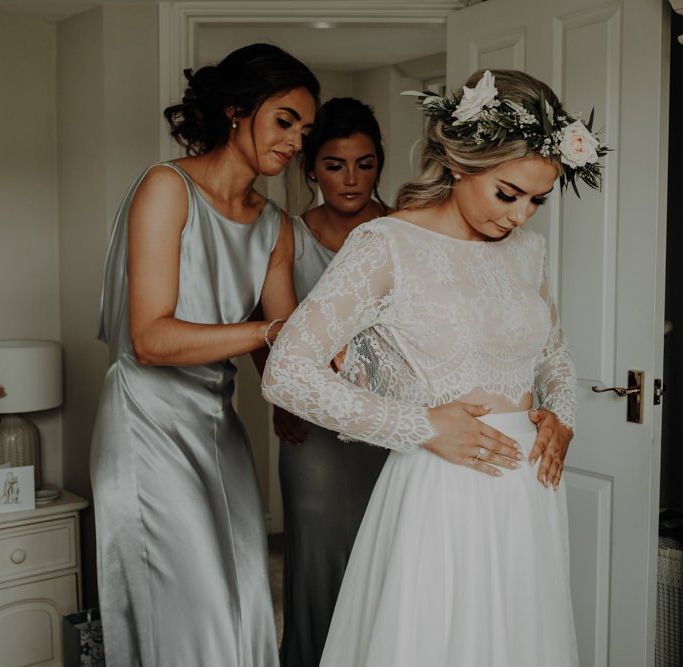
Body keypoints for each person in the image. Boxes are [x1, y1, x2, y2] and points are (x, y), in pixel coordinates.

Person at [263, 69, 606, 666]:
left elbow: (551, 350)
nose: (522, 216)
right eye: (508, 193)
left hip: (527, 491)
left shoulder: (528, 251)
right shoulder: (386, 244)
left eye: (537, 200)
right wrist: (423, 426)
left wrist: (562, 417)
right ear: (458, 163)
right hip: (442, 487)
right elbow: (287, 370)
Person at [90, 44, 318, 666]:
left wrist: (305, 392)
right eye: (285, 120)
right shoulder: (167, 188)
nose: (297, 141)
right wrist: (270, 336)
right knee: (188, 605)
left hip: (219, 425)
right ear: (237, 111)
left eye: (305, 128)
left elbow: (285, 345)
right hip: (146, 423)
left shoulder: (275, 224)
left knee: (244, 593)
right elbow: (152, 339)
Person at [275, 97, 389, 667]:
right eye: (335, 164)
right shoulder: (288, 236)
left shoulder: (404, 232)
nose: (351, 179)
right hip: (312, 428)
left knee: (389, 559)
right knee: (317, 561)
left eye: (365, 164)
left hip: (392, 429)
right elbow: (269, 326)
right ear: (311, 169)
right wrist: (281, 396)